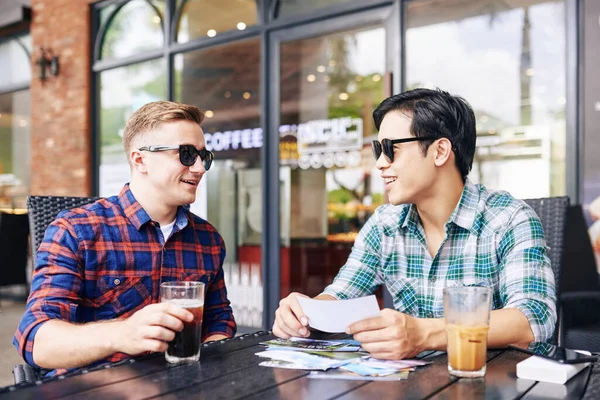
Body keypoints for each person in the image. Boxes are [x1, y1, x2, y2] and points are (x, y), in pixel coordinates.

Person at [273, 88, 557, 360]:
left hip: (492, 384)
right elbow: (342, 294)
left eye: (390, 149)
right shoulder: (384, 225)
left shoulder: (508, 219)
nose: (380, 164)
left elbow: (532, 320)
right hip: (414, 383)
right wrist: (303, 313)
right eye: (378, 150)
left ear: (440, 151)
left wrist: (423, 333)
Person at [14, 101, 236, 375]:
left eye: (205, 156)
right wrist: (121, 334)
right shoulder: (76, 230)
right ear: (140, 159)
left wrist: (213, 363)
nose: (200, 168)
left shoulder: (208, 239)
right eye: (187, 154)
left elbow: (218, 321)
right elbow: (36, 340)